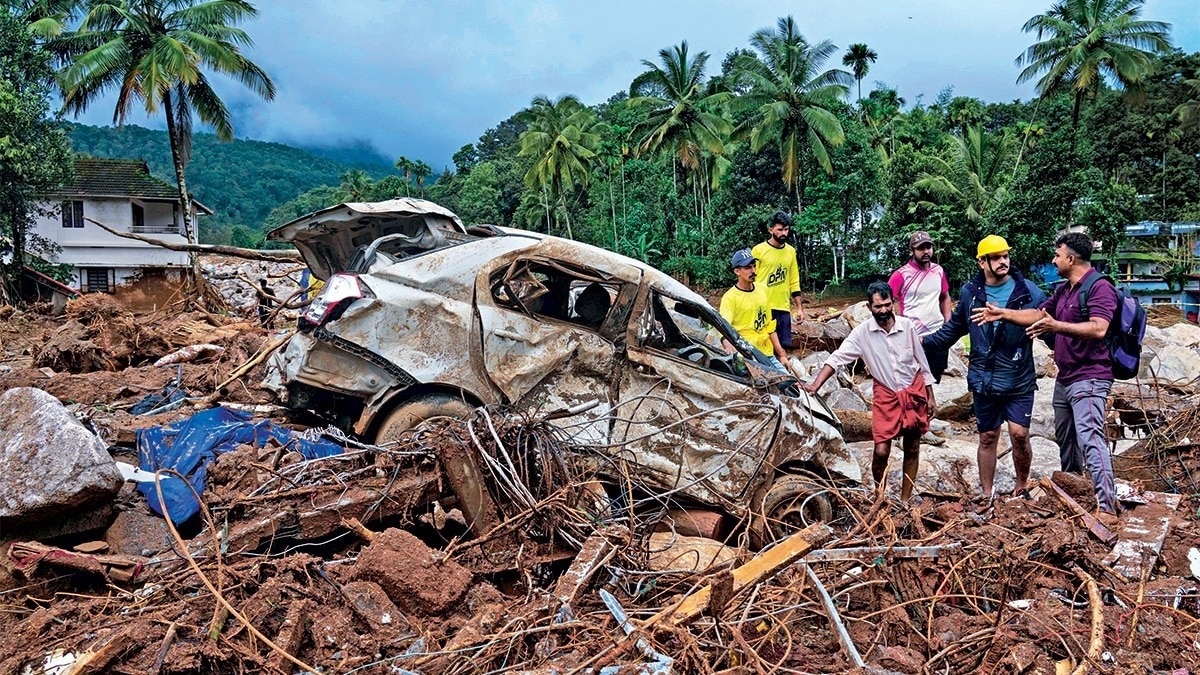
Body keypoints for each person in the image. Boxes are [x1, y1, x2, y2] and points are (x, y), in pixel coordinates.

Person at [972, 231, 1119, 518]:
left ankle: (1107, 507)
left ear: (1071, 259)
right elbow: (1038, 314)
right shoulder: (1065, 290)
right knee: (1067, 438)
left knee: (1090, 437)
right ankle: (1076, 491)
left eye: (1057, 255)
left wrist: (1056, 327)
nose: (1053, 260)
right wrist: (1003, 314)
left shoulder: (1099, 288)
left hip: (1090, 376)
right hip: (1066, 377)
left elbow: (1099, 328)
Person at [923, 235, 1046, 504]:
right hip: (984, 379)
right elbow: (952, 330)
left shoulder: (1028, 292)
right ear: (982, 262)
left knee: (1019, 434)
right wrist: (919, 343)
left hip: (1019, 377)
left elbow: (1047, 319)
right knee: (988, 436)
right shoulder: (971, 294)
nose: (1003, 261)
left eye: (1005, 256)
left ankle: (1021, 487)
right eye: (996, 257)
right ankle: (987, 494)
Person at [802, 282, 936, 501]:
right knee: (881, 450)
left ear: (893, 302)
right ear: (868, 307)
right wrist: (815, 385)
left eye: (886, 305)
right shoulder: (862, 333)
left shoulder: (907, 327)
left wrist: (931, 396)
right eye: (877, 307)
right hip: (886, 394)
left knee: (912, 446)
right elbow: (837, 358)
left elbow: (922, 362)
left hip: (913, 389)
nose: (883, 310)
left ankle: (905, 500)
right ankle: (879, 494)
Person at [889, 230, 952, 381]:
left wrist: (948, 324)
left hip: (938, 334)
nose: (926, 251)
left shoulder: (938, 271)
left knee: (935, 377)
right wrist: (899, 327)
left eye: (928, 247)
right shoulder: (901, 275)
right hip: (913, 336)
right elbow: (887, 300)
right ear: (912, 251)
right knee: (915, 380)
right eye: (920, 248)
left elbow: (945, 296)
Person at [719, 248, 789, 371]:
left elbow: (769, 326)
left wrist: (782, 355)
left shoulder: (762, 290)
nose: (753, 271)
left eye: (754, 266)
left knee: (788, 380)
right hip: (747, 355)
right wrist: (729, 348)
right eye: (748, 268)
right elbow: (723, 327)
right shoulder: (730, 298)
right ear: (737, 271)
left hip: (767, 354)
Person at [751, 211, 805, 348]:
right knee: (764, 347)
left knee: (784, 346)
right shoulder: (758, 250)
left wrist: (799, 308)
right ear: (771, 230)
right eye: (780, 230)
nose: (783, 233)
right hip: (763, 307)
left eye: (786, 229)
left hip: (783, 307)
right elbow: (750, 278)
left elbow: (794, 280)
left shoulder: (791, 252)